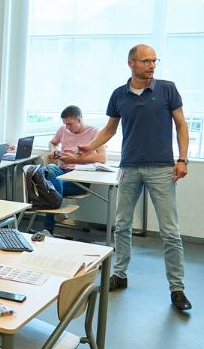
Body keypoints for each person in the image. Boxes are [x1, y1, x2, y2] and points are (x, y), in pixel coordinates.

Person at [78, 44, 191, 312]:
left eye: (154, 61)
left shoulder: (167, 89)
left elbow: (181, 124)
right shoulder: (119, 95)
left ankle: (177, 289)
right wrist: (90, 146)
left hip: (162, 169)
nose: (152, 65)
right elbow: (110, 128)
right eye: (146, 61)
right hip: (129, 167)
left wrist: (183, 159)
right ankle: (120, 274)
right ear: (131, 63)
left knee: (170, 232)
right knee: (122, 225)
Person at [43, 105, 106, 231]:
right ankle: (58, 212)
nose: (67, 128)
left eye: (70, 124)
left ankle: (49, 227)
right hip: (62, 171)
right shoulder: (63, 129)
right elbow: (52, 143)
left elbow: (102, 158)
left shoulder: (94, 132)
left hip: (80, 177)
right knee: (50, 167)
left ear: (79, 120)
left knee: (48, 187)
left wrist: (74, 160)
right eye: (65, 124)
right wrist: (54, 151)